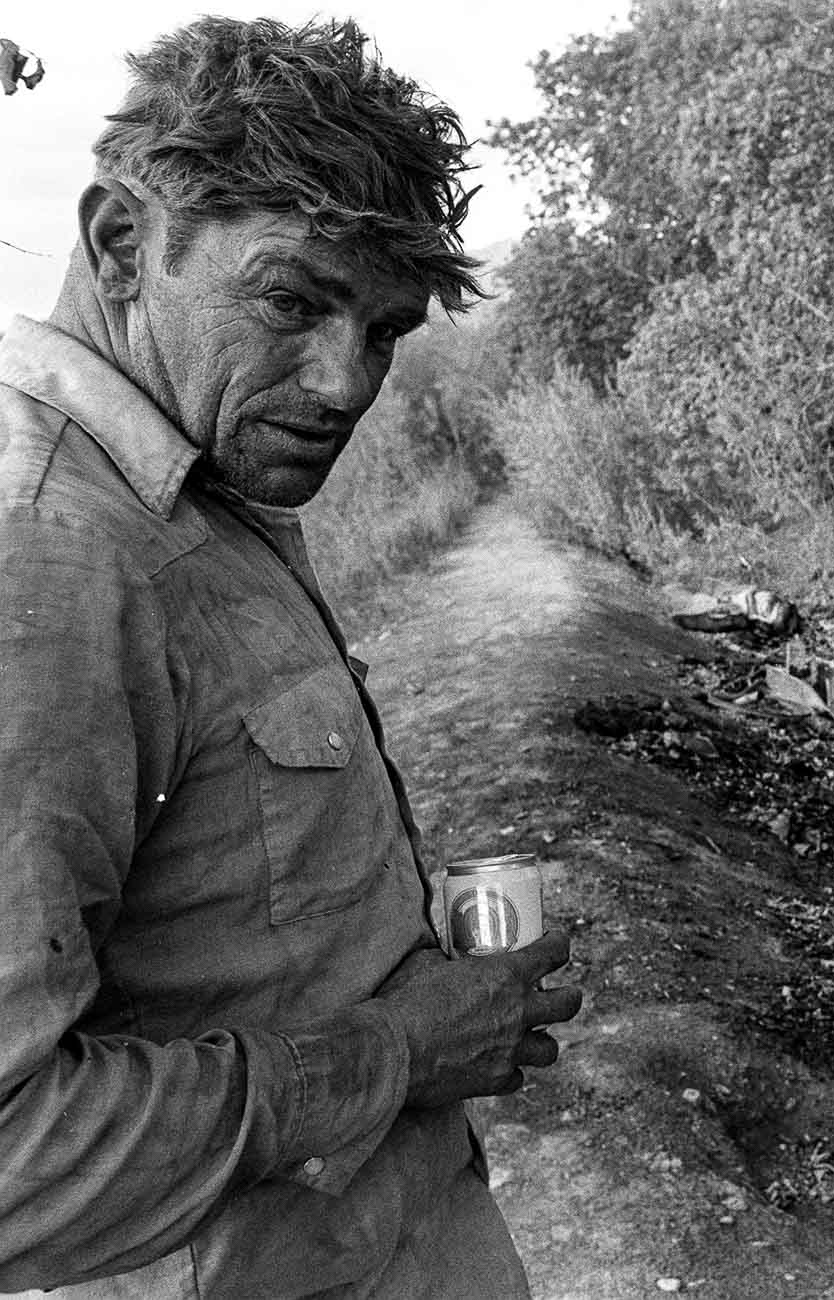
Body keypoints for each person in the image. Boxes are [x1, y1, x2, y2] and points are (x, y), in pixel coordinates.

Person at [0, 17, 580, 1298]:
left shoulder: (201, 496)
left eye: (381, 331)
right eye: (290, 301)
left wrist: (381, 959)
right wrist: (387, 1054)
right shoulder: (43, 551)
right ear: (121, 244)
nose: (344, 383)